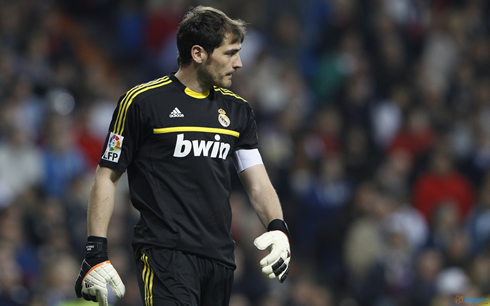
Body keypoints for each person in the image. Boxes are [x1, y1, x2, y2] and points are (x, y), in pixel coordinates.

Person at [74, 6, 291, 306]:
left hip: (220, 259)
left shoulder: (238, 110)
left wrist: (278, 228)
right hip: (165, 254)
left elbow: (258, 183)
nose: (239, 63)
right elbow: (106, 176)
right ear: (199, 53)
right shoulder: (141, 103)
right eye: (230, 53)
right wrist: (95, 252)